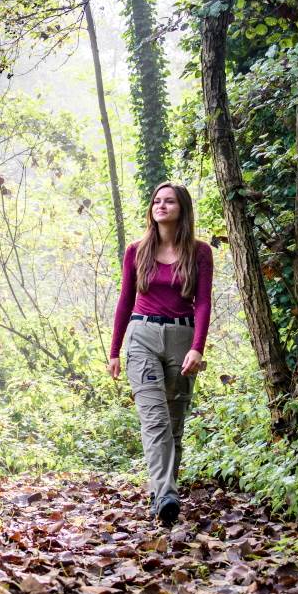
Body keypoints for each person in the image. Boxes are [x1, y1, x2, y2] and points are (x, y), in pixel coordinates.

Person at [108, 181, 213, 526]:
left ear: (182, 208)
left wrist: (198, 346)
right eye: (157, 201)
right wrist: (114, 351)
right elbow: (125, 301)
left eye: (169, 201)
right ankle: (167, 493)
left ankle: (161, 493)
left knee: (174, 422)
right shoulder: (136, 250)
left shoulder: (200, 252)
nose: (161, 205)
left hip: (182, 338)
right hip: (143, 336)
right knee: (154, 419)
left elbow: (203, 303)